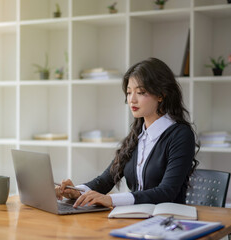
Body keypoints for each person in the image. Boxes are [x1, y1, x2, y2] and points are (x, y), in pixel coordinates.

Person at [56, 57, 198, 208]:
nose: (132, 100)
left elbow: (166, 192)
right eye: (129, 93)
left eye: (141, 92)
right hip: (135, 217)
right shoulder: (137, 135)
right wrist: (77, 191)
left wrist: (111, 200)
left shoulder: (180, 135)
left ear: (161, 95)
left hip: (167, 220)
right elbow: (105, 180)